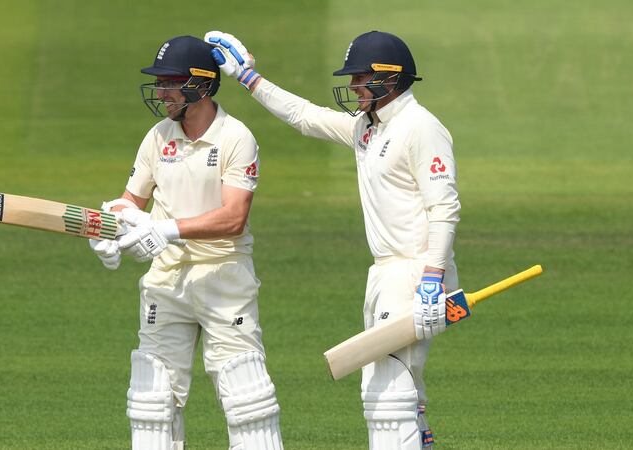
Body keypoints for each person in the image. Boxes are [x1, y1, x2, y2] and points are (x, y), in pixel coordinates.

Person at [205, 30, 461, 449]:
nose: (353, 86)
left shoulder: (421, 128)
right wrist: (250, 79)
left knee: (387, 395)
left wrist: (433, 275)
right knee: (405, 395)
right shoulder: (368, 128)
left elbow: (444, 207)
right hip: (384, 273)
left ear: (388, 79)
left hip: (416, 274)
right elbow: (306, 116)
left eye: (360, 78)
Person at [88, 35, 284, 450]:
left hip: (223, 276)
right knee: (152, 400)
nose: (160, 92)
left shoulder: (236, 137)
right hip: (166, 279)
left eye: (168, 83)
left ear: (199, 86)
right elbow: (131, 201)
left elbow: (234, 218)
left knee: (247, 398)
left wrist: (166, 229)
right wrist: (108, 225)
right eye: (158, 83)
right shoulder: (158, 136)